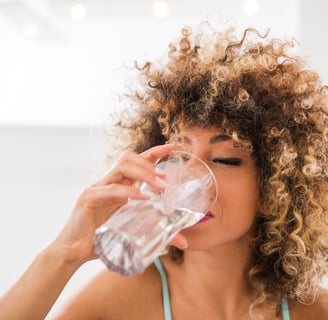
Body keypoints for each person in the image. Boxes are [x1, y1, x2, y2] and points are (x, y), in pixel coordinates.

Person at [1, 22, 328, 320]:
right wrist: (64, 254)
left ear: (274, 192)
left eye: (225, 160)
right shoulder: (123, 299)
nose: (191, 179)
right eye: (180, 155)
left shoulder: (312, 310)